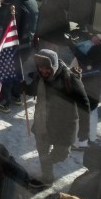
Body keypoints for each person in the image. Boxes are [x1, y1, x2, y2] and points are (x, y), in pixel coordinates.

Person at [29, 50, 91, 184]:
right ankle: (47, 177)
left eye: (47, 68)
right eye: (41, 67)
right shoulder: (39, 75)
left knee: (60, 155)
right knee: (42, 152)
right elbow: (33, 89)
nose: (43, 71)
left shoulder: (70, 80)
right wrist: (23, 87)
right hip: (42, 122)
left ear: (54, 65)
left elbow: (84, 104)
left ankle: (50, 161)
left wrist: (84, 130)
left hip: (63, 127)